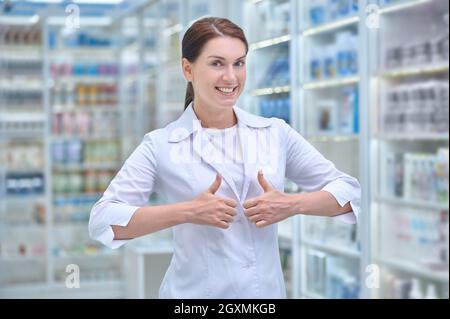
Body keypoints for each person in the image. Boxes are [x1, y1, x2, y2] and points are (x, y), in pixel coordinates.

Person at [89, 17, 361, 299]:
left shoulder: (275, 133)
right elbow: (102, 220)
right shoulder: (161, 144)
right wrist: (188, 212)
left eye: (239, 63)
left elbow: (349, 191)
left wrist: (291, 204)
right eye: (217, 63)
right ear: (187, 69)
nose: (231, 77)